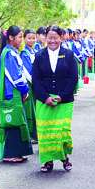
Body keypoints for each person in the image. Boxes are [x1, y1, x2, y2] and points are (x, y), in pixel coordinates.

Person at [32, 26, 79, 172]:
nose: (52, 41)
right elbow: (36, 80)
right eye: (50, 38)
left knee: (62, 131)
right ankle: (48, 161)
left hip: (64, 101)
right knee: (46, 132)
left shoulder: (69, 55)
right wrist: (45, 97)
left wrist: (62, 96)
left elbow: (73, 78)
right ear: (46, 38)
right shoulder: (39, 56)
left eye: (55, 37)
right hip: (44, 101)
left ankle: (65, 158)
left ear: (61, 38)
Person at [0, 26, 32, 163]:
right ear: (11, 38)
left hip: (14, 92)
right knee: (14, 122)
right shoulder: (9, 54)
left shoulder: (12, 52)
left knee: (17, 121)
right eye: (19, 37)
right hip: (11, 93)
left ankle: (18, 152)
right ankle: (11, 154)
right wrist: (24, 90)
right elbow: (15, 77)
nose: (21, 40)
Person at [20, 29, 38, 142]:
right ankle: (30, 135)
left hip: (36, 84)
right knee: (30, 110)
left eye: (33, 38)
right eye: (29, 38)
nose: (31, 40)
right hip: (30, 85)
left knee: (35, 109)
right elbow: (27, 71)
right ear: (24, 39)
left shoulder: (34, 51)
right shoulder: (24, 53)